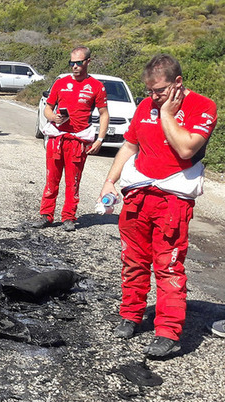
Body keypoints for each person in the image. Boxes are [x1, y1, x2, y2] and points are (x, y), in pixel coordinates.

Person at [99, 53, 217, 357]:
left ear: (178, 82)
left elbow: (186, 147)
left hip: (172, 200)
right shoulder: (145, 106)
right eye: (150, 92)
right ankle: (130, 315)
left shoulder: (202, 107)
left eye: (160, 91)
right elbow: (130, 145)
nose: (153, 97)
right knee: (133, 259)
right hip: (139, 195)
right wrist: (109, 182)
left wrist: (166, 112)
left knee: (168, 266)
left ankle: (168, 332)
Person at [33, 46, 109, 232]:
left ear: (88, 62)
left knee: (73, 181)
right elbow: (48, 107)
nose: (74, 66)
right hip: (57, 139)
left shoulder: (96, 86)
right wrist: (52, 117)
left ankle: (69, 217)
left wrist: (99, 139)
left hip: (78, 141)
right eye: (71, 63)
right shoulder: (61, 83)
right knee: (52, 179)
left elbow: (104, 113)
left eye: (78, 63)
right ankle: (46, 215)